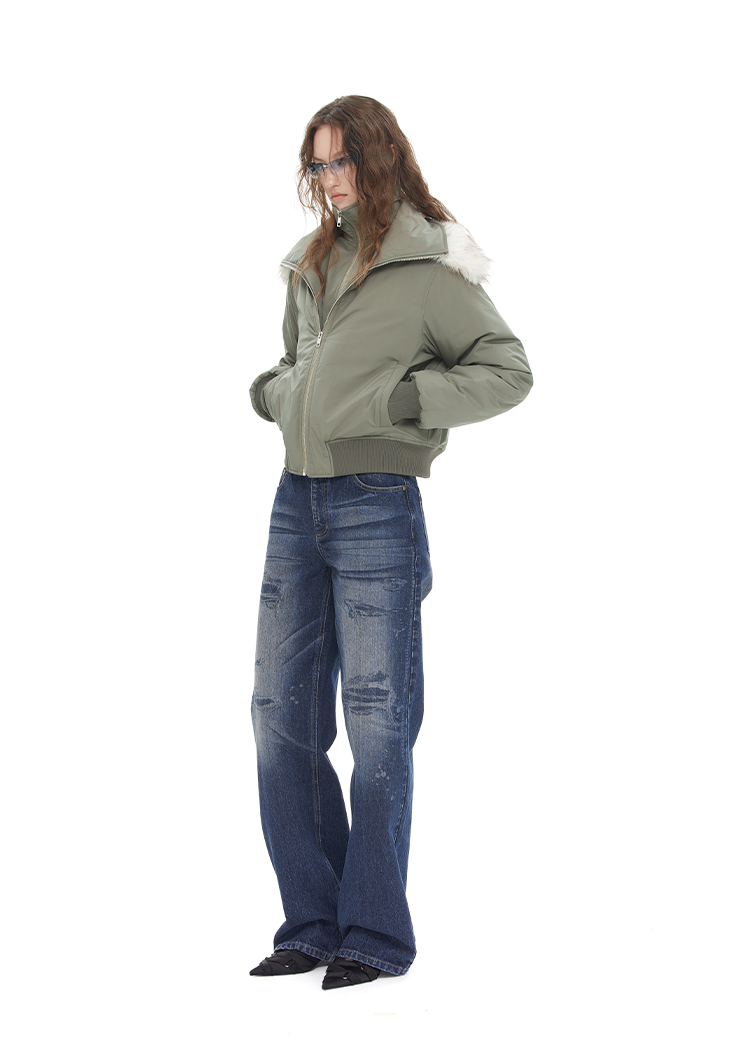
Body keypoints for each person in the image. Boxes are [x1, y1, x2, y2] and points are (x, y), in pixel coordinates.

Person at [248, 95, 533, 990]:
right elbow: (295, 362)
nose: (329, 179)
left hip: (377, 503)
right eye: (317, 164)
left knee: (378, 725)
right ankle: (311, 922)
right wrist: (276, 394)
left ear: (379, 159)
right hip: (295, 501)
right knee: (279, 721)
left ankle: (373, 933)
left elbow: (508, 369)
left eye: (342, 161)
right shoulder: (309, 261)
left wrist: (405, 404)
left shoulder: (428, 264)